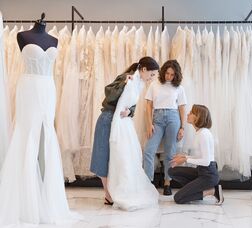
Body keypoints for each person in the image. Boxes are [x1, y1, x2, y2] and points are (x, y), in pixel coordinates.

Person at [0, 14, 79, 225]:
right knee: (27, 136)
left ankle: (46, 196)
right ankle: (26, 200)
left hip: (47, 88)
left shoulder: (54, 40)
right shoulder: (21, 36)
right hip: (28, 88)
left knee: (47, 138)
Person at [90, 56, 159, 206]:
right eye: (151, 74)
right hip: (107, 120)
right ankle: (108, 195)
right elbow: (109, 94)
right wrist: (123, 83)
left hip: (120, 122)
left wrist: (130, 112)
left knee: (119, 157)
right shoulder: (126, 77)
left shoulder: (139, 83)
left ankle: (112, 192)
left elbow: (131, 104)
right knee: (103, 156)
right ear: (144, 69)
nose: (152, 78)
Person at [143, 59, 187, 195]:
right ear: (163, 72)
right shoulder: (154, 84)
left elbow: (182, 108)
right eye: (167, 73)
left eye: (172, 75)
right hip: (157, 118)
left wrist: (182, 128)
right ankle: (148, 184)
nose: (169, 76)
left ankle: (167, 183)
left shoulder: (179, 88)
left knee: (170, 153)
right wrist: (149, 124)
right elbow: (148, 105)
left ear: (176, 75)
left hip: (173, 118)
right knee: (149, 151)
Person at [168, 105, 224, 205]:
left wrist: (185, 159)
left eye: (191, 113)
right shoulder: (199, 132)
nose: (188, 114)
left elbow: (206, 162)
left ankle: (212, 191)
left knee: (178, 198)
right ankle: (193, 190)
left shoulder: (203, 134)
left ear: (198, 117)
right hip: (201, 171)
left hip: (208, 175)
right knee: (172, 171)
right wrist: (184, 157)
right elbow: (201, 157)